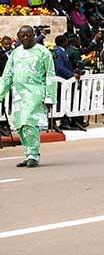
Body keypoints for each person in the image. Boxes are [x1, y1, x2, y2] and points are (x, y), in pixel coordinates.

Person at [0, 26, 57, 168]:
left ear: (33, 35)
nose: (25, 38)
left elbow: (50, 75)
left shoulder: (43, 52)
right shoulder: (15, 53)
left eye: (28, 35)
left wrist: (50, 97)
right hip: (19, 94)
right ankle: (28, 154)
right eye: (22, 36)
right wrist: (1, 93)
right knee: (20, 125)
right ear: (18, 37)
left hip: (35, 93)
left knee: (29, 123)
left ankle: (33, 155)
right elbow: (7, 75)